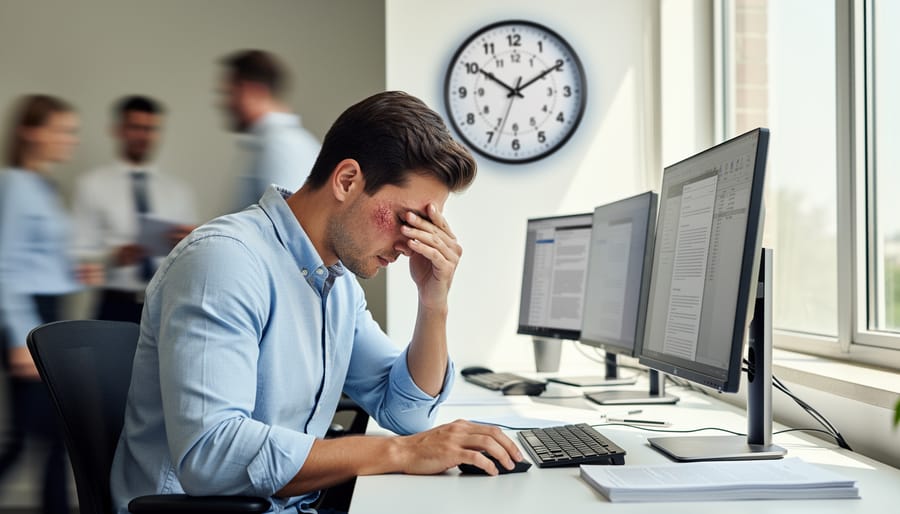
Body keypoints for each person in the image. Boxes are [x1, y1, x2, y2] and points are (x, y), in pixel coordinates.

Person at [110, 91, 524, 513]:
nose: (410, 243)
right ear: (347, 180)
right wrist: (400, 452)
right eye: (406, 219)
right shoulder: (225, 261)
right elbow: (211, 453)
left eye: (426, 223)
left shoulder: (336, 284)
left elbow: (407, 414)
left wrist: (433, 301)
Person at [0, 94, 95, 514]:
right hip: (31, 320)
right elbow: (5, 265)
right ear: (30, 131)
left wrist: (74, 272)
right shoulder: (16, 185)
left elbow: (37, 258)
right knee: (37, 440)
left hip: (48, 315)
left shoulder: (43, 185)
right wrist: (20, 335)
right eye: (61, 129)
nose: (69, 140)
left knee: (49, 440)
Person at [72, 95, 196, 323]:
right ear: (118, 130)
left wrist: (187, 243)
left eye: (150, 129)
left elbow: (193, 256)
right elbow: (78, 254)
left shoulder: (178, 191)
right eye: (136, 127)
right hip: (115, 304)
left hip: (165, 304)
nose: (143, 136)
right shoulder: (91, 185)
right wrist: (112, 258)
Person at [220, 49, 321, 211]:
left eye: (229, 93)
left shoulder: (282, 145)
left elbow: (287, 224)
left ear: (251, 90)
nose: (224, 104)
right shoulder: (276, 143)